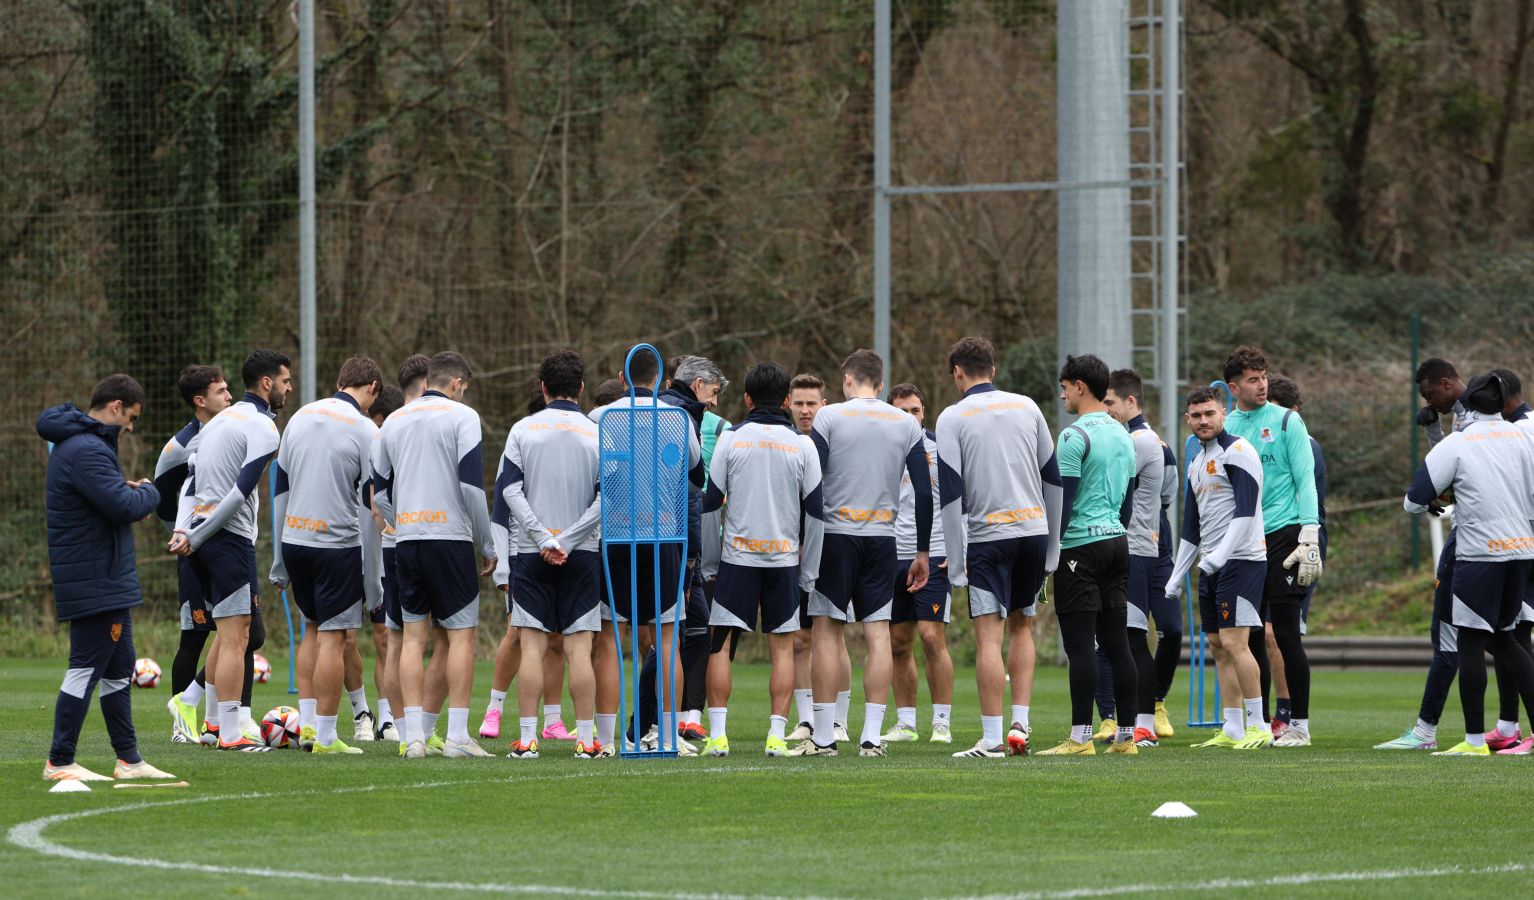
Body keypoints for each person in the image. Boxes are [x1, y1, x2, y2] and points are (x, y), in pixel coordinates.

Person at [39, 374, 175, 782]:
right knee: (84, 669)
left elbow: (107, 497)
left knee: (119, 670)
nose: (130, 427)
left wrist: (126, 490)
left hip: (104, 577)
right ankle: (60, 761)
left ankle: (129, 760)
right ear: (116, 407)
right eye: (131, 418)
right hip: (95, 579)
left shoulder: (83, 446)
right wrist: (150, 492)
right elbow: (121, 505)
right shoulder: (87, 450)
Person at [796, 349, 931, 757]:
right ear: (881, 383)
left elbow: (811, 484)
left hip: (836, 536)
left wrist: (806, 536)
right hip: (883, 538)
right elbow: (923, 490)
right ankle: (871, 736)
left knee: (825, 633)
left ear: (847, 380)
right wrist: (922, 550)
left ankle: (823, 737)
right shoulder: (906, 423)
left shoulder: (830, 416)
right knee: (878, 635)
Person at [936, 337, 1062, 759]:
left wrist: (956, 561)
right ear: (994, 367)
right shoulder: (1027, 405)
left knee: (989, 638)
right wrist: (1053, 543)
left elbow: (951, 494)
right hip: (1033, 530)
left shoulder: (953, 417)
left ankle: (991, 739)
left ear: (957, 372)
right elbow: (1054, 478)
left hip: (989, 536)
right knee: (1022, 626)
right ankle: (1020, 725)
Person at [373, 351, 498, 759]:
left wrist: (405, 520)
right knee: (461, 636)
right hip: (450, 539)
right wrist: (487, 542)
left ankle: (413, 738)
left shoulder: (393, 420)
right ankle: (458, 737)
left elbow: (378, 493)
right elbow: (471, 489)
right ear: (458, 383)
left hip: (406, 541)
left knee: (412, 638)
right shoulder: (463, 417)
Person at [1404, 372, 1534, 757]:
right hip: (1523, 551)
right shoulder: (1521, 437)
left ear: (1468, 404)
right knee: (1508, 639)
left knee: (1471, 642)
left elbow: (1415, 500)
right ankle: (1510, 729)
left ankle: (1475, 741)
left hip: (1479, 555)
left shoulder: (1460, 441)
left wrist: (1437, 496)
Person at [169, 349, 292, 752]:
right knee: (238, 637)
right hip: (226, 540)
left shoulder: (221, 421)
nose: (290, 388)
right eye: (286, 381)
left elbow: (189, 485)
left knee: (230, 635)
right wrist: (199, 535)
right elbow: (240, 492)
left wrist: (186, 529)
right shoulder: (262, 428)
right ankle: (231, 734)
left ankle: (206, 718)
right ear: (267, 383)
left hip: (205, 539)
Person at [703, 362, 825, 757]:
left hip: (737, 559)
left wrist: (707, 564)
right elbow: (816, 513)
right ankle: (776, 736)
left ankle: (718, 736)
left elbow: (709, 505)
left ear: (747, 399)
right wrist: (809, 573)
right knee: (783, 649)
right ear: (787, 401)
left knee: (719, 647)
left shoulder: (730, 440)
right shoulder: (803, 445)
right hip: (784, 561)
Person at [588, 349, 703, 755]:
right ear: (662, 382)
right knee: (668, 640)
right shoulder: (677, 418)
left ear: (621, 378)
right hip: (664, 537)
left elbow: (592, 474)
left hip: (616, 537)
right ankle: (669, 735)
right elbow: (693, 469)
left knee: (610, 641)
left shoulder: (601, 418)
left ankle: (604, 740)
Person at [270, 357, 385, 755]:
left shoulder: (299, 417)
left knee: (312, 630)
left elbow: (280, 491)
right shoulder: (367, 429)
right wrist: (374, 580)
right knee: (335, 639)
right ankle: (326, 736)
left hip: (295, 541)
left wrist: (278, 557)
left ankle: (304, 727)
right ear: (371, 387)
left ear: (339, 382)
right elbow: (373, 510)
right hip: (335, 545)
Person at [500, 350, 605, 759]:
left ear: (542, 387)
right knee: (579, 649)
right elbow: (607, 497)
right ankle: (585, 739)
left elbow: (510, 490)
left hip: (531, 552)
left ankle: (527, 741)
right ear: (580, 388)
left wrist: (544, 538)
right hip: (582, 554)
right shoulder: (599, 432)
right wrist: (569, 539)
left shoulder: (522, 429)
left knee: (532, 647)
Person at [1035, 355, 1138, 756]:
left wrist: (1050, 555)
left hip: (1080, 546)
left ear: (1080, 386)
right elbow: (1127, 504)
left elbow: (1063, 500)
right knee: (1117, 644)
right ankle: (1126, 737)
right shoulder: (1123, 434)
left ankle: (1080, 738)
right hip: (1117, 542)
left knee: (1080, 646)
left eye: (1064, 386)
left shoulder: (1074, 436)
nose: (1061, 394)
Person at [1222, 346, 1321, 747]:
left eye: (1264, 376)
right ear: (1233, 387)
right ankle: (1260, 724)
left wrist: (1310, 533)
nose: (1261, 385)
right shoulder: (1224, 424)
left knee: (1284, 634)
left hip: (1284, 536)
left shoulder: (1286, 421)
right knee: (1248, 635)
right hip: (1244, 541)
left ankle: (1300, 724)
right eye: (1252, 379)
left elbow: (1306, 479)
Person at [1163, 387, 1273, 751]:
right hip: (1212, 564)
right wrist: (1177, 576)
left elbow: (1246, 511)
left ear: (1223, 413)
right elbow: (1190, 530)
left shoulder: (1239, 452)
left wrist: (1221, 554)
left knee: (1235, 643)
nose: (1203, 421)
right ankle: (1233, 727)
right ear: (1188, 419)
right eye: (1196, 415)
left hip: (1242, 559)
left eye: (1209, 413)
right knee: (1217, 646)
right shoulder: (1196, 463)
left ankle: (1260, 726)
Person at [1375, 358, 1470, 751]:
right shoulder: (1498, 425)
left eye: (1431, 393)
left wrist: (1429, 495)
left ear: (1447, 383)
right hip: (1508, 542)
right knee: (1506, 637)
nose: (1429, 400)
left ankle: (1426, 732)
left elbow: (1436, 477)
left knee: (1449, 637)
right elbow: (1449, 468)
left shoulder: (1472, 422)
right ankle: (1506, 729)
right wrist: (1434, 429)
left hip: (1471, 540)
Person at [484, 389, 572, 743]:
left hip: (561, 554)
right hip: (524, 556)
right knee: (517, 634)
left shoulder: (569, 447)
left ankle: (553, 720)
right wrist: (503, 564)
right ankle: (494, 707)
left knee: (557, 640)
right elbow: (501, 508)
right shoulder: (521, 441)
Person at [1097, 368, 1180, 742]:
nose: (1107, 409)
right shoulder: (1136, 440)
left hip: (1141, 547)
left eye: (1111, 402)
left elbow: (1140, 495)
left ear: (1130, 401)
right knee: (1125, 635)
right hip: (1136, 545)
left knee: (1154, 633)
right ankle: (1126, 718)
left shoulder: (1141, 442)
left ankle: (1146, 714)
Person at [156, 365, 233, 744]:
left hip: (230, 546)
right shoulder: (181, 445)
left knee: (242, 635)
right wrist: (182, 534)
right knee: (195, 636)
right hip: (194, 553)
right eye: (220, 391)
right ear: (200, 401)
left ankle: (219, 722)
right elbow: (161, 493)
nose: (229, 397)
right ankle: (181, 725)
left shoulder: (234, 431)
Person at [881, 382, 954, 744]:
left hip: (936, 552)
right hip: (892, 553)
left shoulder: (942, 447)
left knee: (931, 636)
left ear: (923, 412)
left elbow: (961, 502)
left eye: (914, 410)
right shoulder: (880, 450)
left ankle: (941, 722)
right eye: (900, 411)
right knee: (897, 642)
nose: (908, 417)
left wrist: (960, 549)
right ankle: (906, 723)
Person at [784, 373, 850, 742]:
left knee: (834, 636)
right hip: (792, 553)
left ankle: (838, 721)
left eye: (812, 403)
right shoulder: (786, 444)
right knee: (799, 639)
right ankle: (807, 719)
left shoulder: (837, 444)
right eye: (799, 403)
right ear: (788, 405)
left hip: (835, 549)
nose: (806, 410)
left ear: (823, 405)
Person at [1264, 374, 1327, 738]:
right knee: (1264, 633)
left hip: (1298, 543)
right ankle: (1268, 714)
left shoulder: (1304, 442)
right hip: (1268, 542)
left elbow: (1306, 495)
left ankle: (1289, 715)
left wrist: (1309, 539)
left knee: (1280, 633)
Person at [364, 384, 405, 742]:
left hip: (389, 556)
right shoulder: (363, 441)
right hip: (355, 552)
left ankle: (388, 717)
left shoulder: (399, 443)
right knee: (346, 637)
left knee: (388, 637)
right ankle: (362, 712)